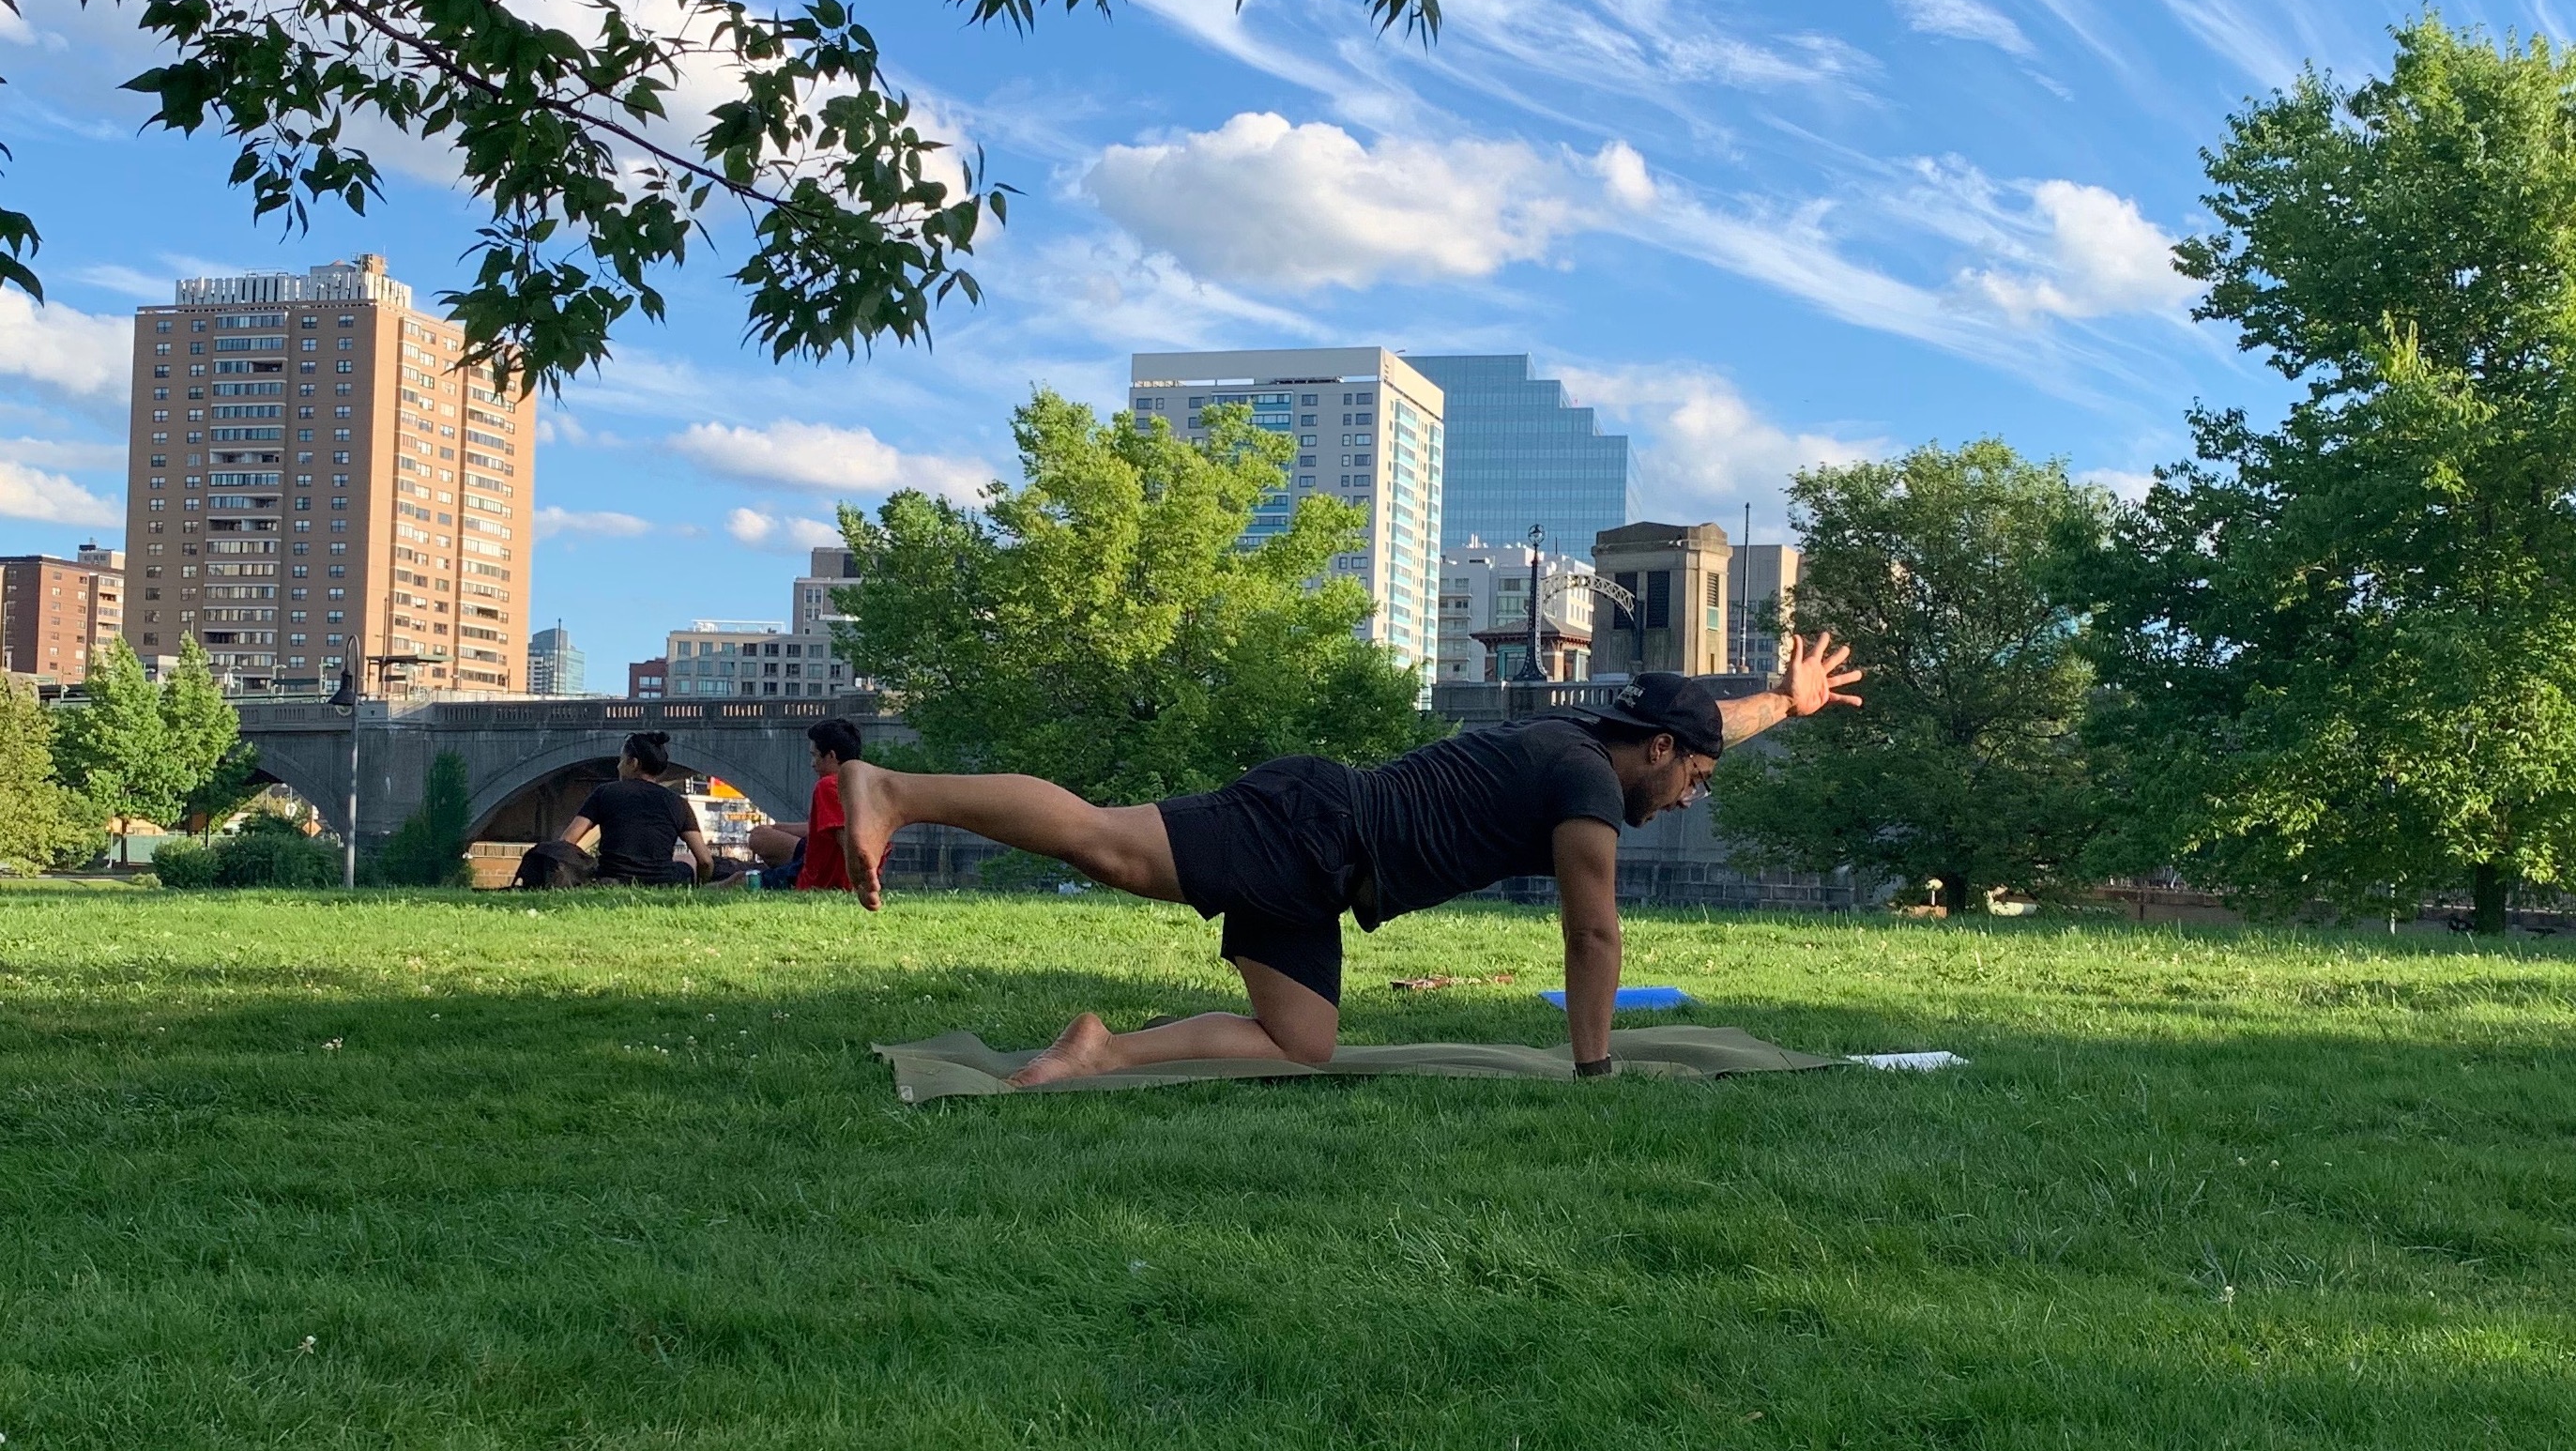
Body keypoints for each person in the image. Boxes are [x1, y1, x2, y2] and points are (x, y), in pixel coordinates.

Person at [834, 634, 1864, 1088]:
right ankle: (898, 791)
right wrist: (1591, 1069)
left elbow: (1704, 722)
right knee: (1105, 839)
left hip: (1324, 873)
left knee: (1302, 1041)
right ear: (1653, 750)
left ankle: (1102, 1048)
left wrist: (1787, 703)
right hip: (1312, 824)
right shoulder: (1589, 784)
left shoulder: (1604, 740)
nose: (1692, 793)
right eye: (1693, 777)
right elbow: (1592, 931)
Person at [558, 732, 714, 885]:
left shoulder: (605, 792)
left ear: (633, 763)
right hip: (662, 880)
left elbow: (567, 840)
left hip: (612, 877)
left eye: (621, 760)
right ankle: (710, 886)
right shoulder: (679, 803)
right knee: (686, 859)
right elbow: (705, 861)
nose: (618, 766)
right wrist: (700, 885)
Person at [737, 719, 866, 892]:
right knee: (762, 836)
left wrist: (858, 884)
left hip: (818, 879)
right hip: (822, 864)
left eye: (814, 755)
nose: (812, 763)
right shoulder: (864, 784)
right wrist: (777, 828)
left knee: (737, 880)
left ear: (831, 756)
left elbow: (849, 842)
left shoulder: (828, 785)